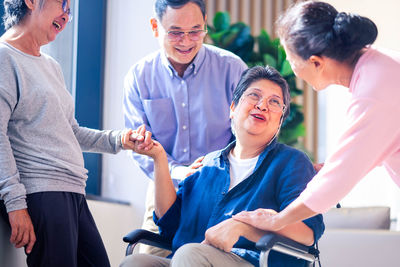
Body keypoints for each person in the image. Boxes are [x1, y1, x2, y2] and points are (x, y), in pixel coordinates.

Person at [120, 66, 324, 267]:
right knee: (136, 262)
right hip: (190, 258)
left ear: (280, 121)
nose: (262, 105)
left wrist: (244, 227)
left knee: (189, 254)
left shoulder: (292, 163)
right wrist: (159, 159)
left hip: (253, 261)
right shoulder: (208, 164)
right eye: (254, 95)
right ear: (233, 108)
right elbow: (170, 225)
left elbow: (307, 232)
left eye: (274, 102)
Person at [233, 0, 400, 234]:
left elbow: (338, 180)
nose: (292, 71)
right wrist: (333, 166)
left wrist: (278, 220)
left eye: (291, 62)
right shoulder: (378, 66)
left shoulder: (374, 91)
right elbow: (366, 149)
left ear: (315, 62)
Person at [0, 0, 137, 266]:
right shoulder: (4, 57)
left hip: (72, 190)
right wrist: (15, 203)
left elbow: (69, 130)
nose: (67, 14)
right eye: (62, 3)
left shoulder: (51, 65)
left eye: (70, 8)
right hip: (41, 192)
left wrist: (119, 139)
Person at [123, 0, 247, 256]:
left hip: (223, 188)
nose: (187, 41)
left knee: (204, 258)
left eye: (195, 31)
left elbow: (248, 135)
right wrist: (177, 172)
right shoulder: (139, 76)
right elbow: (138, 146)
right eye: (176, 32)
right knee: (145, 258)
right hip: (164, 185)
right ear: (155, 27)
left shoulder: (232, 68)